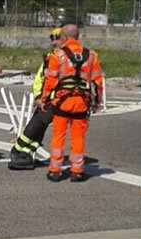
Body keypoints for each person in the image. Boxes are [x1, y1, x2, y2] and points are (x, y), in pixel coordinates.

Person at [41, 24, 104, 182]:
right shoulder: (91, 56)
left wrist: (44, 99)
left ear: (64, 37)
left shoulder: (58, 55)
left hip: (62, 102)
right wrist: (97, 102)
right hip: (82, 103)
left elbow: (50, 80)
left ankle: (55, 170)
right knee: (78, 137)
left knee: (58, 136)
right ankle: (77, 171)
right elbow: (97, 82)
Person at [8, 27, 62, 170]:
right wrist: (39, 97)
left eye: (57, 39)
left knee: (39, 124)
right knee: (38, 124)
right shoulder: (50, 58)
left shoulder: (64, 58)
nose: (54, 42)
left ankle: (23, 152)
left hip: (57, 100)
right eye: (52, 39)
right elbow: (39, 79)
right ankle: (21, 152)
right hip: (47, 100)